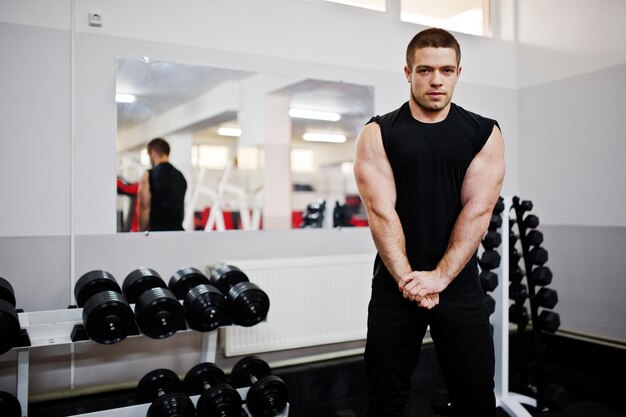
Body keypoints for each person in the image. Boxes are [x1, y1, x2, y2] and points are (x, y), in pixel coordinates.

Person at [353, 27, 505, 417]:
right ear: (407, 73)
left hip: (459, 283)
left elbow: (478, 210)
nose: (436, 80)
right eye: (424, 70)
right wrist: (410, 280)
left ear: (458, 72)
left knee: (475, 397)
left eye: (446, 70)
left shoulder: (483, 132)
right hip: (395, 281)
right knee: (385, 398)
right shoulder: (378, 132)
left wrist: (439, 277)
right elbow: (380, 212)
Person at [137, 138, 187, 231]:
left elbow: (144, 208)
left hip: (157, 234)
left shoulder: (149, 175)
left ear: (153, 152)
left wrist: (142, 233)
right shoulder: (180, 176)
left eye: (149, 155)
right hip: (178, 233)